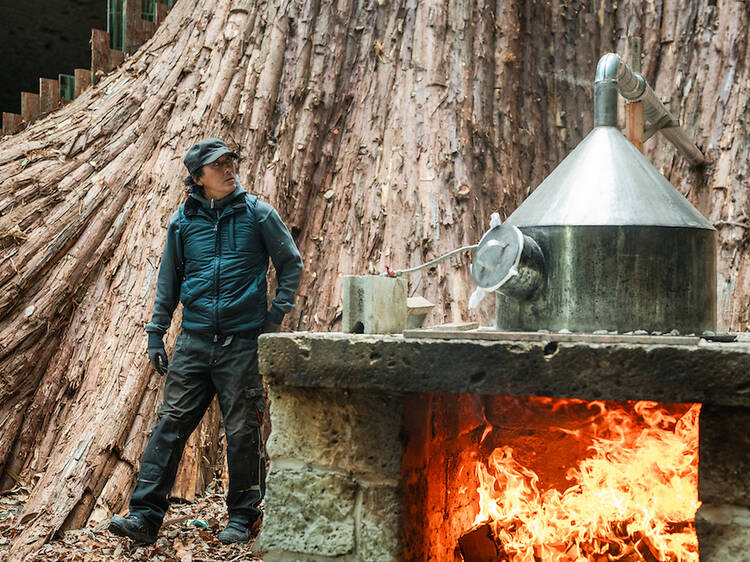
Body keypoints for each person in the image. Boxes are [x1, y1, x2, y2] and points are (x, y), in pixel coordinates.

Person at [109, 138, 303, 545]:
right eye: (218, 165)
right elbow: (169, 281)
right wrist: (156, 332)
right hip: (194, 343)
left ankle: (242, 516)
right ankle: (144, 517)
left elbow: (291, 264)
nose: (229, 169)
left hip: (242, 344)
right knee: (169, 426)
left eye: (231, 162)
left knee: (242, 431)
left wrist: (272, 316)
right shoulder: (183, 222)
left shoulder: (258, 214)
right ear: (198, 178)